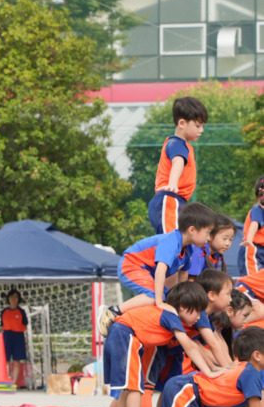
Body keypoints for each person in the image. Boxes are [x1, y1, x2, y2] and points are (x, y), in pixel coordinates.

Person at [98, 282, 220, 407]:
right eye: (197, 311)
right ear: (183, 307)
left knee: (126, 388)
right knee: (135, 387)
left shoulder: (166, 314)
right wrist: (209, 372)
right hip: (125, 335)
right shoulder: (171, 315)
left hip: (118, 333)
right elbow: (189, 346)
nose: (199, 317)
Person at [97, 201, 215, 335]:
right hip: (131, 265)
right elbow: (160, 271)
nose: (209, 238)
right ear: (192, 230)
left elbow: (183, 276)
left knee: (165, 296)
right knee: (155, 296)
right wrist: (160, 302)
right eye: (207, 233)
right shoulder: (172, 241)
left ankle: (130, 319)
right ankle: (112, 311)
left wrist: (181, 300)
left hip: (144, 270)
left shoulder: (188, 250)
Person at [145, 325, 264, 407]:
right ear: (257, 355)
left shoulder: (247, 370)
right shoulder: (251, 373)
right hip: (185, 388)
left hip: (199, 398)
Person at [146, 96, 207, 234]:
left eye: (203, 126)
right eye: (198, 126)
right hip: (169, 198)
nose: (201, 130)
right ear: (182, 123)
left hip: (177, 200)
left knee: (180, 239)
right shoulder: (177, 143)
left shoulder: (184, 145)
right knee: (171, 238)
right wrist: (173, 184)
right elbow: (178, 162)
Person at [187, 213, 234, 278]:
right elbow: (191, 280)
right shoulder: (198, 253)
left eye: (231, 239)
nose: (228, 243)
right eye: (224, 238)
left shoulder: (216, 255)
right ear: (210, 235)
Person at [1, 289, 29, 386]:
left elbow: (25, 324)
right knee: (6, 359)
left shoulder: (21, 311)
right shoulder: (4, 311)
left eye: (15, 297)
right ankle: (5, 379)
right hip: (7, 335)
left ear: (18, 299)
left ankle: (14, 382)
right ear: (8, 298)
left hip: (18, 336)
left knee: (17, 360)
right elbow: (2, 325)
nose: (13, 299)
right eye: (11, 297)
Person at [238, 175, 264, 276]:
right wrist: (249, 240)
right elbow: (254, 224)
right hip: (253, 248)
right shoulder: (257, 209)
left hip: (261, 249)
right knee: (252, 279)